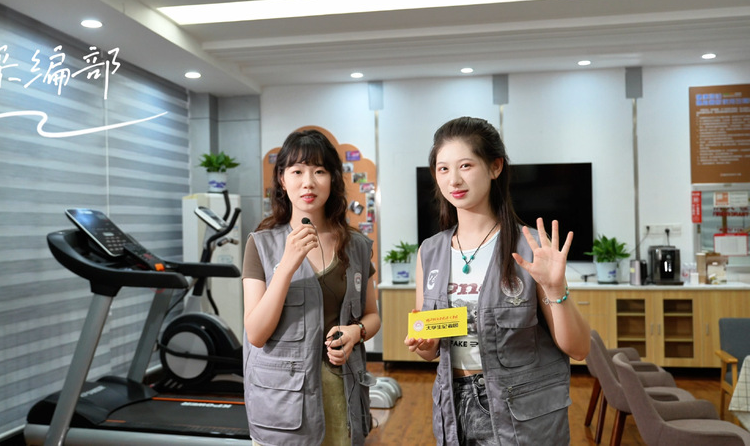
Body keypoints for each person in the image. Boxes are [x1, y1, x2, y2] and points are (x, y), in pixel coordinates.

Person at [404, 116, 590, 445]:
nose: (454, 179)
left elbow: (578, 349)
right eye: (443, 169)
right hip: (452, 408)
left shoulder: (530, 248)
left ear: (495, 167)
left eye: (465, 165)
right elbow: (429, 350)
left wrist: (556, 289)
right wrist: (425, 345)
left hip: (520, 412)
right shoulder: (429, 251)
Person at [242, 129, 380, 446]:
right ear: (282, 179)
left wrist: (355, 332)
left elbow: (373, 316)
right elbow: (256, 333)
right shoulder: (261, 245)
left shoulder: (357, 245)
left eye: (319, 171)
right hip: (283, 404)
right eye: (297, 171)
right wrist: (287, 265)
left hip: (342, 393)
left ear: (332, 179)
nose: (308, 182)